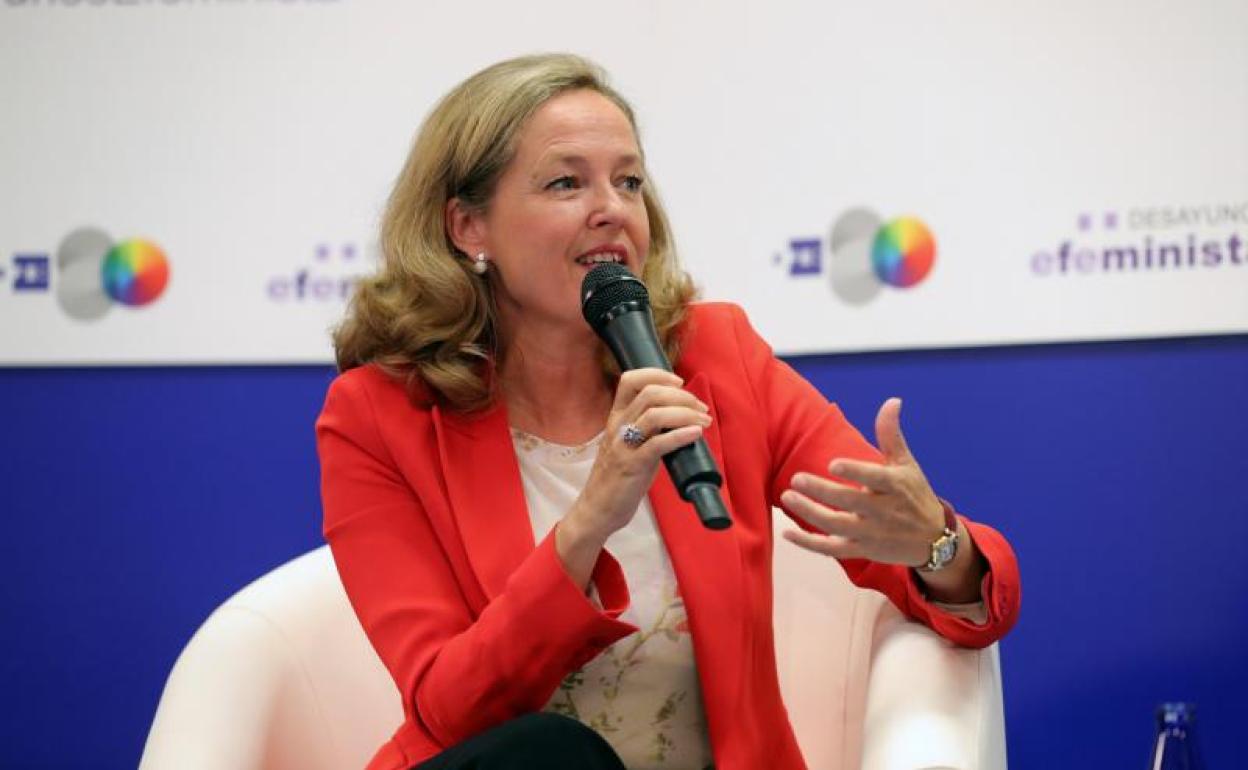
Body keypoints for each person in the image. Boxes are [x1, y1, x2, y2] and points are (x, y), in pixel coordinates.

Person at [316, 53, 1020, 770]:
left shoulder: (717, 358)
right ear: (469, 227)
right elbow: (451, 708)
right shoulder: (379, 416)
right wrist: (589, 522)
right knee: (550, 754)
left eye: (628, 181)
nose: (612, 210)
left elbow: (972, 589)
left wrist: (935, 545)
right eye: (566, 183)